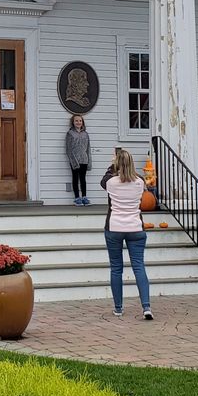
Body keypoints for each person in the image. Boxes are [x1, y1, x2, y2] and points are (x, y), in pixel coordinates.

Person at [100, 147, 152, 320]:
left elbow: (104, 179)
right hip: (136, 228)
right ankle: (146, 307)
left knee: (116, 268)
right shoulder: (140, 181)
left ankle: (118, 308)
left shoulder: (111, 182)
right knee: (139, 266)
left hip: (114, 228)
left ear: (116, 164)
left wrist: (112, 164)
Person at [65, 113, 91, 205]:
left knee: (83, 179)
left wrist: (89, 162)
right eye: (76, 120)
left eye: (80, 121)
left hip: (84, 159)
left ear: (82, 122)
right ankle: (77, 198)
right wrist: (73, 161)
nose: (78, 122)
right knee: (75, 178)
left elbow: (88, 149)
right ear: (73, 122)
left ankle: (84, 197)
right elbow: (68, 149)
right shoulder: (70, 133)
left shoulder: (85, 134)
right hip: (74, 160)